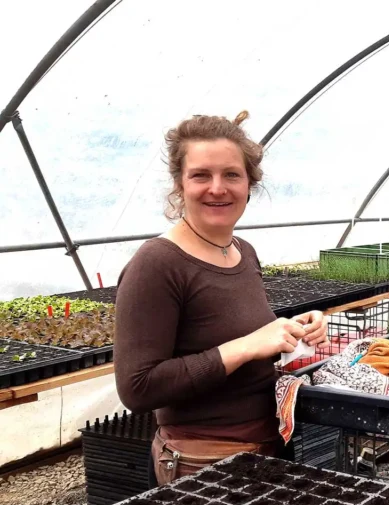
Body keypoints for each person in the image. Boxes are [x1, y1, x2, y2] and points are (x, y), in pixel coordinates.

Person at [114, 111, 327, 484]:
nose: (217, 188)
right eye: (201, 175)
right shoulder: (157, 263)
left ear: (249, 184)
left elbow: (235, 335)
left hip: (265, 446)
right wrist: (245, 346)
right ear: (179, 184)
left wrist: (294, 331)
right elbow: (138, 388)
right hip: (202, 464)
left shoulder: (242, 251)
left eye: (231, 174)